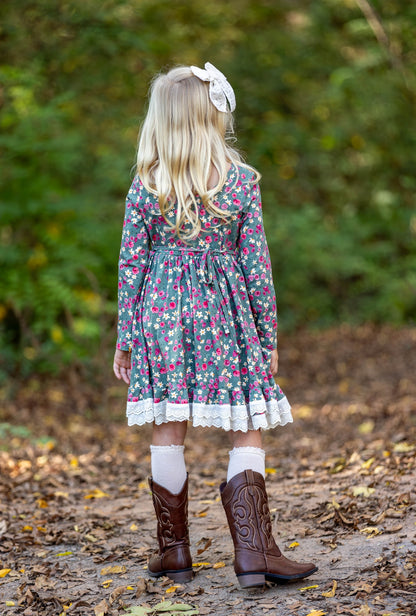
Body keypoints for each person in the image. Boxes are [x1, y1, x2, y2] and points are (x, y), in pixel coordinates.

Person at [113, 62, 317, 589]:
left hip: (159, 314)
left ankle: (174, 552)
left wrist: (127, 336)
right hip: (226, 316)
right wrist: (267, 337)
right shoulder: (241, 184)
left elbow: (132, 266)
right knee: (244, 420)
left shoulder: (146, 185)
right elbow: (257, 269)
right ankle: (253, 554)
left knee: (167, 425)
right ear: (214, 118)